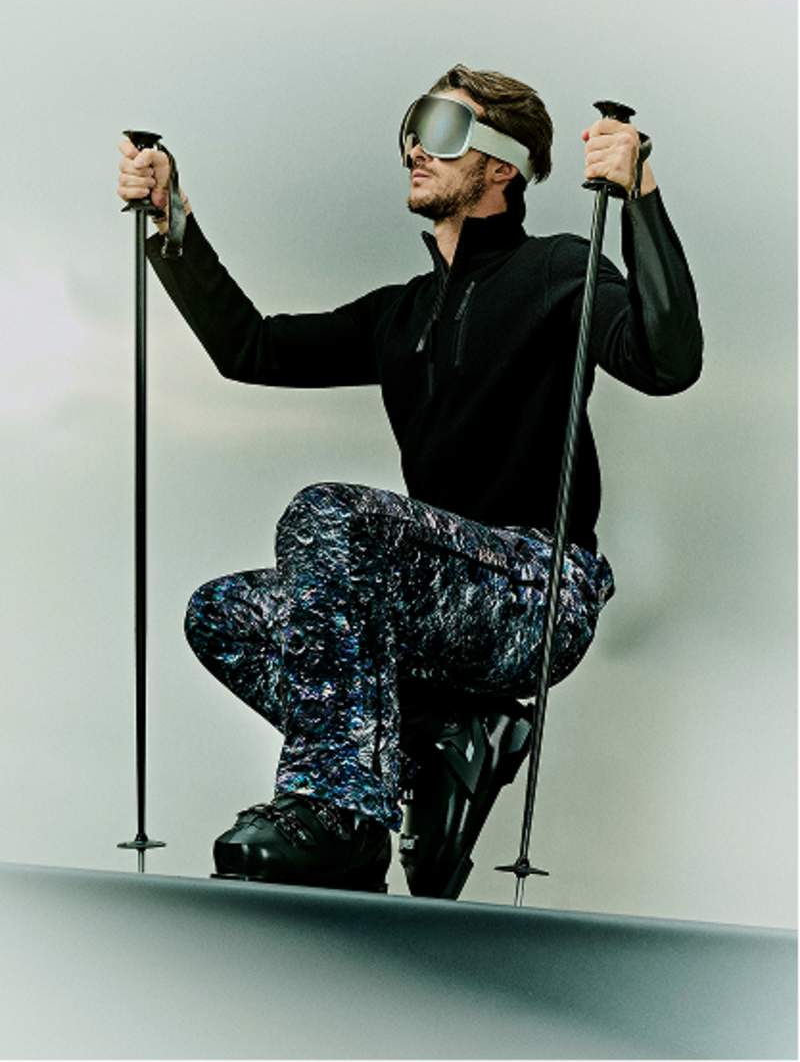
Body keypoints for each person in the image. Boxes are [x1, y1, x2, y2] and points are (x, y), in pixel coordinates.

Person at [115, 64, 702, 896]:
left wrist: (638, 192)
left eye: (443, 131)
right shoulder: (402, 312)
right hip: (433, 605)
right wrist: (171, 221)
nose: (415, 151)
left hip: (538, 593)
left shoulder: (558, 270)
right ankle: (425, 748)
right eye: (412, 131)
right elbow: (250, 348)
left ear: (501, 165)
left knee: (331, 514)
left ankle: (342, 817)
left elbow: (666, 361)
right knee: (224, 613)